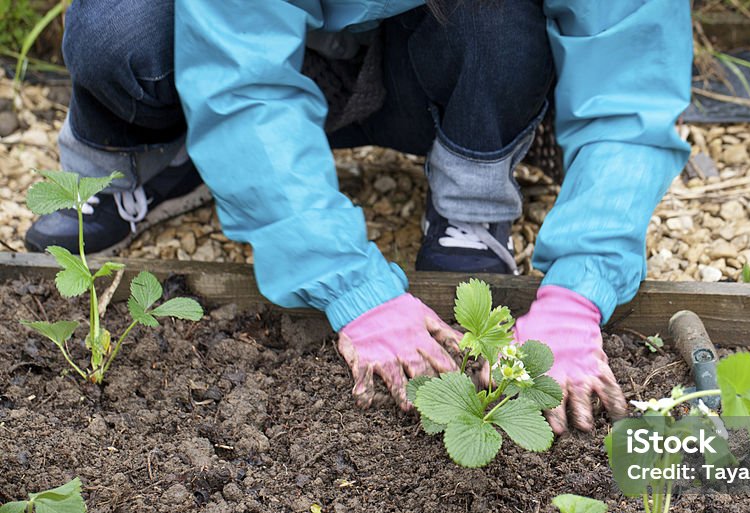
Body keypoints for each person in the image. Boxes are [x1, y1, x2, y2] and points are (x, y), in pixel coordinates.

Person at [25, 0, 693, 435]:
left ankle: (471, 193)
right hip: (242, 37)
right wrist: (347, 284)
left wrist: (581, 286)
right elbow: (240, 78)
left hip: (420, 59)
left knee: (504, 24)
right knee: (122, 32)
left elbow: (629, 83)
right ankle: (148, 149)